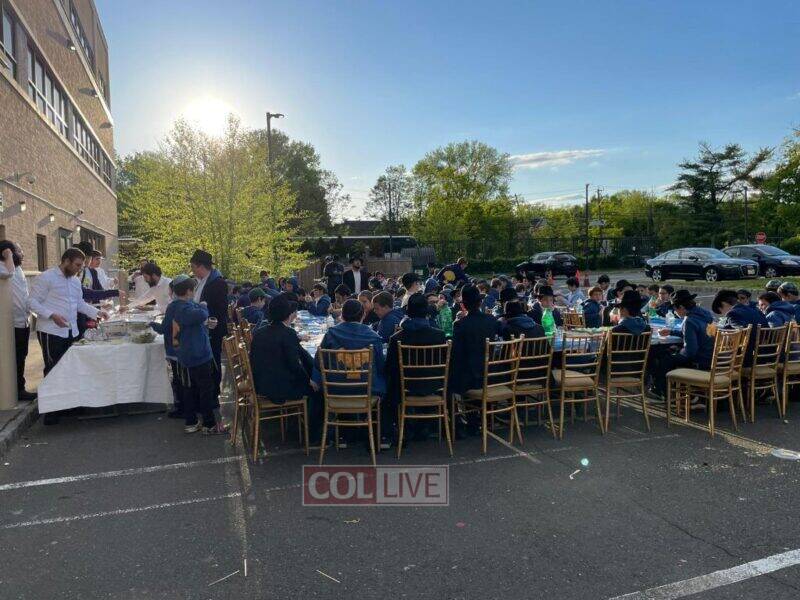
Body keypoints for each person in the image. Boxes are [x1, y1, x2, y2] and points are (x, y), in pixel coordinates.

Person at [29, 248, 108, 422]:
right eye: (77, 265)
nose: (79, 269)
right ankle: (51, 412)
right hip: (51, 331)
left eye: (81, 266)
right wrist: (52, 315)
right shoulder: (46, 277)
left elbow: (79, 304)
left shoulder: (74, 281)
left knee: (68, 368)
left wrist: (97, 312)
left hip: (71, 330)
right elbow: (32, 302)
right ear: (66, 261)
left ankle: (67, 406)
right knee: (53, 369)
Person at [313, 298, 387, 445]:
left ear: (343, 315)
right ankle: (381, 434)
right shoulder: (373, 337)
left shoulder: (331, 334)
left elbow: (318, 363)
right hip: (367, 390)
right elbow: (380, 366)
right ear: (363, 315)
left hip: (335, 390)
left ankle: (334, 433)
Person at [384, 293, 447, 441]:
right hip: (434, 385)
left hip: (406, 387)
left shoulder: (397, 338)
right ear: (426, 311)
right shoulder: (439, 336)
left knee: (389, 382)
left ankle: (393, 429)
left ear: (408, 312)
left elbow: (390, 368)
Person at [171, 276, 225, 435]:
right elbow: (201, 314)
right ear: (189, 291)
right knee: (205, 390)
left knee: (188, 389)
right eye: (194, 290)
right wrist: (203, 306)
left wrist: (206, 323)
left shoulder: (175, 306)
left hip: (184, 355)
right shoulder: (186, 308)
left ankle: (191, 422)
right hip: (198, 355)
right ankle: (209, 424)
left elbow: (195, 323)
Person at [651, 290, 715, 397]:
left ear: (681, 307)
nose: (675, 312)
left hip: (700, 360)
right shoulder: (705, 313)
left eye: (675, 309)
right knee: (670, 352)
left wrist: (678, 351)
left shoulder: (689, 320)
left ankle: (661, 391)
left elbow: (690, 351)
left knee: (664, 357)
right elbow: (697, 334)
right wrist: (671, 332)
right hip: (710, 356)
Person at [189, 249, 228, 403]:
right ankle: (204, 395)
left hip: (212, 329)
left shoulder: (217, 282)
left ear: (201, 266)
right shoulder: (200, 281)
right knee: (204, 365)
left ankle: (212, 397)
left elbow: (221, 309)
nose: (192, 270)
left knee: (213, 363)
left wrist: (209, 319)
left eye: (193, 267)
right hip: (202, 328)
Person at [450, 285, 502, 396]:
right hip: (491, 376)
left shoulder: (460, 324)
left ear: (463, 305)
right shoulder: (491, 320)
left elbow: (456, 354)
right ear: (480, 302)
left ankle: (453, 404)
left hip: (469, 380)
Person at [0, 241, 35, 402]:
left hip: (23, 321)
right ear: (7, 252)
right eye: (19, 251)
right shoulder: (4, 267)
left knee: (21, 356)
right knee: (12, 358)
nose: (22, 254)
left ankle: (19, 388)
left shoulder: (18, 269)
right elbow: (8, 273)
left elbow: (24, 294)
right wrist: (8, 256)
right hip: (9, 324)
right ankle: (14, 390)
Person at [149, 277, 184, 418]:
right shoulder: (189, 304)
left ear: (172, 291)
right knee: (183, 379)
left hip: (174, 348)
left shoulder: (173, 306)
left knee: (178, 379)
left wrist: (151, 324)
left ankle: (181, 408)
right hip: (183, 347)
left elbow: (164, 328)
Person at [711, 289, 768, 367]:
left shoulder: (732, 313)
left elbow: (742, 332)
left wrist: (722, 333)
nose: (724, 314)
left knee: (709, 357)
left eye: (721, 311)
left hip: (746, 359)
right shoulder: (756, 310)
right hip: (762, 356)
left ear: (723, 303)